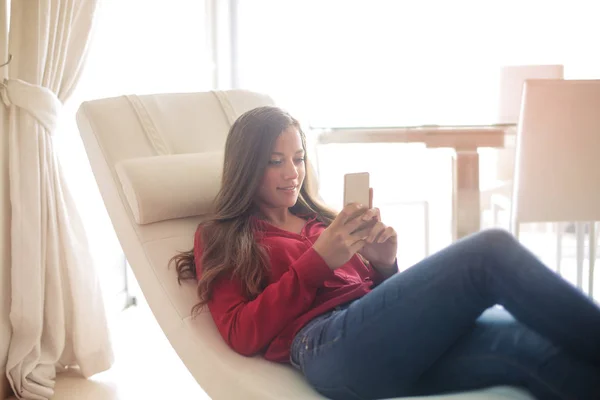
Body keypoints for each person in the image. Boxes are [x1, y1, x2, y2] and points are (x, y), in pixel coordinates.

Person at [171, 106, 600, 400]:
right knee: (488, 252)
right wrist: (316, 262)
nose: (292, 173)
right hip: (326, 347)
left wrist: (384, 265)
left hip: (375, 343)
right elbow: (240, 332)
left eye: (298, 158)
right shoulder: (223, 235)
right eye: (275, 161)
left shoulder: (321, 221)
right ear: (246, 166)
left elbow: (380, 309)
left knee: (531, 348)